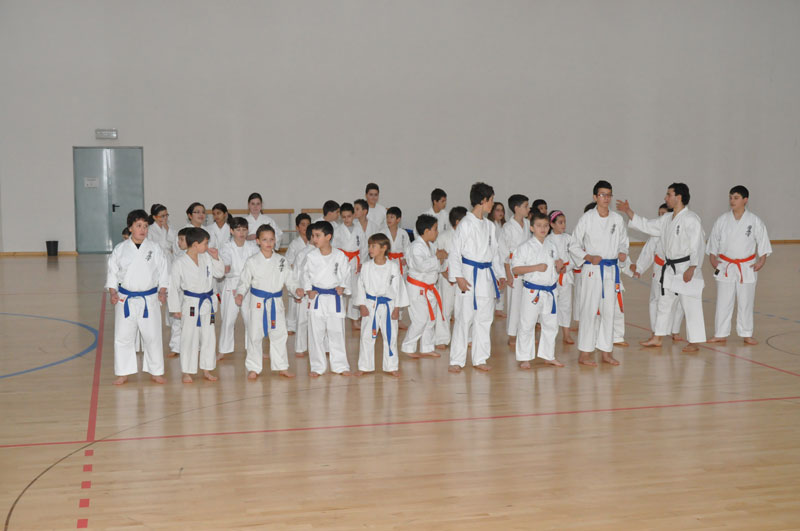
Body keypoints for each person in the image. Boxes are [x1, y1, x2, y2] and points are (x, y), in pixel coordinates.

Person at [617, 182, 707, 352]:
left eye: (668, 194)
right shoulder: (667, 219)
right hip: (670, 268)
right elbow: (647, 225)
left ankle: (695, 341)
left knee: (691, 305)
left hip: (686, 266)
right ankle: (658, 337)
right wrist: (629, 211)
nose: (665, 198)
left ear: (678, 197)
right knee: (664, 303)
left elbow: (698, 244)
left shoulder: (691, 219)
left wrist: (693, 267)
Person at [447, 182, 507, 373]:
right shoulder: (465, 224)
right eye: (491, 200)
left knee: (484, 319)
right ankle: (456, 359)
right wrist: (458, 277)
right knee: (464, 319)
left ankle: (480, 358)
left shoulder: (489, 226)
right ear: (483, 200)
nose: (493, 204)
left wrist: (500, 274)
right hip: (468, 274)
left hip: (486, 277)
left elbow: (495, 253)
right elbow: (455, 252)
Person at [106, 210, 169, 385]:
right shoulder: (120, 249)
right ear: (130, 228)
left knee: (152, 336)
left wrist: (163, 290)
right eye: (138, 226)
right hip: (125, 298)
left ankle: (156, 371)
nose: (143, 230)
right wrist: (112, 292)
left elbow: (164, 270)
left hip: (149, 298)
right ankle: (123, 372)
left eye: (145, 226)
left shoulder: (155, 248)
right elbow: (112, 272)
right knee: (123, 336)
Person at [569, 181, 628, 366]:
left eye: (609, 195)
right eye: (602, 195)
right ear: (595, 197)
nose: (606, 198)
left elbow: (624, 242)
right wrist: (587, 256)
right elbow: (573, 244)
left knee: (609, 312)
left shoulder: (617, 219)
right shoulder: (587, 218)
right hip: (592, 270)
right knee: (589, 311)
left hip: (611, 270)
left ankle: (606, 352)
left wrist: (623, 252)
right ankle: (584, 353)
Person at [706, 185, 772, 345]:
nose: (732, 201)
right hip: (725, 265)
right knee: (723, 301)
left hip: (746, 266)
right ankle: (720, 333)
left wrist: (761, 261)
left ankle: (746, 333)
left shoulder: (754, 221)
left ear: (745, 200)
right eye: (730, 197)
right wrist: (713, 259)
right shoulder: (722, 220)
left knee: (746, 301)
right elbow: (713, 240)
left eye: (736, 198)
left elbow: (763, 241)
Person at [236, 224, 299, 379]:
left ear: (275, 240)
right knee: (254, 335)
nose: (268, 243)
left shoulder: (281, 260)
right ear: (258, 241)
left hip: (276, 301)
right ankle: (253, 367)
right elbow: (244, 281)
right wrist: (240, 293)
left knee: (279, 334)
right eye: (264, 239)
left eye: (271, 239)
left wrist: (296, 289)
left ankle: (281, 366)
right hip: (257, 302)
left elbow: (290, 279)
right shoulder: (252, 261)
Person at [168, 227, 224, 383]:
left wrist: (216, 258)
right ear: (195, 245)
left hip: (207, 303)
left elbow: (219, 274)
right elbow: (173, 286)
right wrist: (175, 308)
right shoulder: (179, 263)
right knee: (189, 338)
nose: (207, 246)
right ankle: (187, 371)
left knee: (209, 337)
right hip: (191, 304)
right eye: (205, 243)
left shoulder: (207, 258)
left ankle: (207, 369)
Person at [512, 210, 564, 368]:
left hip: (550, 291)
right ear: (532, 228)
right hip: (532, 291)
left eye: (546, 225)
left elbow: (556, 268)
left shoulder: (552, 245)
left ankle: (548, 355)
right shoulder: (524, 247)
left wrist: (559, 266)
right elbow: (516, 269)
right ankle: (525, 357)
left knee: (551, 325)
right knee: (527, 324)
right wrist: (536, 267)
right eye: (539, 225)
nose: (543, 228)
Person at [299, 221, 352, 376]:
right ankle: (317, 366)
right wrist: (308, 289)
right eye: (313, 236)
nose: (314, 239)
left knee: (337, 332)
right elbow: (304, 274)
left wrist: (343, 286)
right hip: (317, 298)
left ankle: (340, 366)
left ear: (328, 237)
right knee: (316, 334)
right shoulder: (311, 256)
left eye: (318, 236)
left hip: (334, 298)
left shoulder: (339, 255)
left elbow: (346, 273)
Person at [354, 233, 409, 376]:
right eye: (369, 246)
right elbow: (360, 286)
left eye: (373, 246)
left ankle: (391, 366)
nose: (370, 249)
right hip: (370, 304)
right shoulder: (366, 267)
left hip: (388, 305)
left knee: (390, 336)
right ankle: (364, 366)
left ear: (384, 248)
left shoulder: (393, 267)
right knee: (366, 336)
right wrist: (362, 305)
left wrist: (397, 308)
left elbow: (398, 288)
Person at [630, 203, 685, 341]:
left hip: (676, 269)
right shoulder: (656, 234)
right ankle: (656, 331)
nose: (660, 217)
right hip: (659, 269)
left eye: (663, 214)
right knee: (655, 300)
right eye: (659, 214)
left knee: (678, 301)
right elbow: (648, 252)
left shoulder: (679, 230)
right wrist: (639, 268)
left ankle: (675, 330)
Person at [401, 214, 447, 358]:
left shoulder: (431, 246)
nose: (437, 232)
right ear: (426, 231)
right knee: (420, 319)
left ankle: (427, 347)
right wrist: (437, 258)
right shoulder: (416, 247)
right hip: (417, 288)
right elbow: (421, 266)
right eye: (435, 229)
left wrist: (441, 258)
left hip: (430, 287)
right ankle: (408, 346)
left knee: (431, 319)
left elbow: (438, 266)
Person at [217, 217, 258, 360]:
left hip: (248, 285)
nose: (241, 233)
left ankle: (253, 349)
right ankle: (223, 349)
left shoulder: (253, 247)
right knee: (228, 319)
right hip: (232, 284)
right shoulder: (226, 247)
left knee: (251, 319)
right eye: (238, 230)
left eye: (244, 230)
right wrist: (226, 266)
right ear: (231, 231)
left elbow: (257, 263)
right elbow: (226, 260)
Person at [433, 206, 467, 348]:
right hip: (446, 276)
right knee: (445, 308)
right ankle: (442, 338)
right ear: (458, 222)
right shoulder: (443, 236)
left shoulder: (468, 236)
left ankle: (466, 337)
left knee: (464, 309)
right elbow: (437, 256)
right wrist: (443, 272)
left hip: (464, 277)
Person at [500, 194, 530, 345]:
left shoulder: (528, 224)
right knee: (514, 302)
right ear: (516, 208)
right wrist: (508, 274)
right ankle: (512, 334)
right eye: (525, 206)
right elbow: (504, 252)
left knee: (526, 302)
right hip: (513, 267)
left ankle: (524, 333)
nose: (528, 209)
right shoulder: (507, 227)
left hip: (527, 266)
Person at [545, 209, 576, 344]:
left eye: (564, 222)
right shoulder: (547, 240)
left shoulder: (569, 239)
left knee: (566, 305)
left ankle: (566, 334)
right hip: (551, 277)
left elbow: (575, 257)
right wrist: (557, 267)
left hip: (566, 276)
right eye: (560, 222)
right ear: (552, 224)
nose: (563, 225)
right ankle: (548, 332)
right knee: (549, 305)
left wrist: (566, 268)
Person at [336, 202, 368, 328]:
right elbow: (334, 248)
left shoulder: (359, 229)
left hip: (355, 262)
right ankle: (339, 317)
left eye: (349, 216)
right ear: (340, 217)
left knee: (355, 291)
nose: (346, 219)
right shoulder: (338, 230)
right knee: (341, 290)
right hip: (342, 262)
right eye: (343, 217)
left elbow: (364, 247)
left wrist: (362, 262)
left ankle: (354, 319)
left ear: (354, 215)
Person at [285, 213, 312, 335]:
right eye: (303, 224)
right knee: (293, 303)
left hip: (308, 277)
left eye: (308, 224)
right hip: (296, 276)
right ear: (297, 227)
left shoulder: (313, 242)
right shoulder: (294, 244)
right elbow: (288, 262)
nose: (305, 227)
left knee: (307, 302)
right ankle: (290, 326)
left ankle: (307, 324)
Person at [382, 206, 410, 278]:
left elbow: (408, 248)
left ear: (398, 219)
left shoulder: (403, 233)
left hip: (400, 261)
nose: (388, 219)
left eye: (391, 217)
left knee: (400, 282)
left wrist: (405, 258)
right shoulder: (382, 232)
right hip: (387, 261)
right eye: (387, 217)